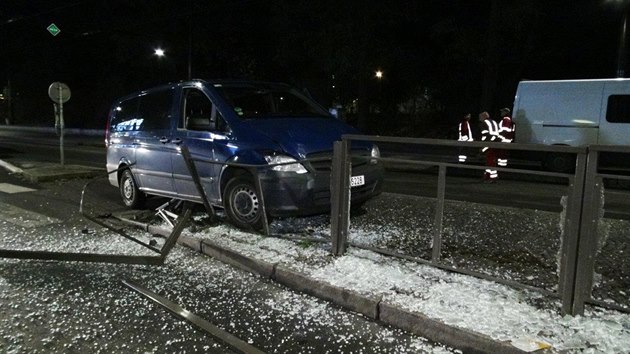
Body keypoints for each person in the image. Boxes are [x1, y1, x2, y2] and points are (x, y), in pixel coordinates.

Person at [479, 111, 499, 182]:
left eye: (480, 117)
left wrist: (483, 147)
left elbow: (486, 136)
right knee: (491, 161)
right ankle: (487, 176)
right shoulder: (494, 122)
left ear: (484, 117)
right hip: (496, 143)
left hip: (489, 144)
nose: (479, 119)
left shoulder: (484, 123)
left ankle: (492, 177)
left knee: (490, 161)